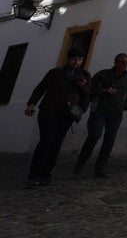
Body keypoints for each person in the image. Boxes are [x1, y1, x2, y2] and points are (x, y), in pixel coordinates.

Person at [24, 47, 91, 187]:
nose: (77, 62)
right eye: (75, 59)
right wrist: (31, 104)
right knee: (47, 139)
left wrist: (81, 108)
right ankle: (34, 175)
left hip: (67, 114)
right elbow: (40, 88)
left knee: (56, 143)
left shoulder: (84, 75)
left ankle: (46, 174)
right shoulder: (56, 72)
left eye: (80, 60)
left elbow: (87, 96)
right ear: (69, 58)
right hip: (49, 109)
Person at [73, 53, 127, 177]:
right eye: (122, 62)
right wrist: (104, 91)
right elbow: (89, 89)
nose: (125, 65)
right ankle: (81, 163)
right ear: (115, 62)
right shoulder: (103, 74)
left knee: (109, 140)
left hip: (116, 113)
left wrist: (125, 105)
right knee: (94, 136)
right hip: (99, 111)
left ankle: (100, 168)